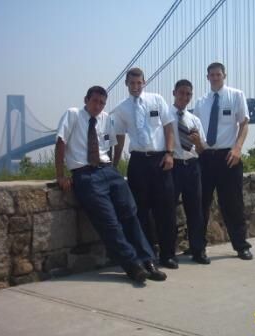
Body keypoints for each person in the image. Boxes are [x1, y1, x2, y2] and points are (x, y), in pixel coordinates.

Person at [54, 85, 167, 283]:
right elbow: (61, 142)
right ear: (86, 100)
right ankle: (133, 265)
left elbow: (113, 143)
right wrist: (60, 175)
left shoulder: (106, 118)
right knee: (109, 223)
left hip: (109, 171)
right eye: (95, 101)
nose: (98, 106)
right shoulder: (72, 114)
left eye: (102, 103)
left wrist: (114, 168)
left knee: (131, 215)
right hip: (85, 174)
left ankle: (148, 261)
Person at [111, 68, 179, 269]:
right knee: (141, 212)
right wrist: (114, 165)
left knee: (166, 210)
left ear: (144, 82)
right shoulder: (121, 109)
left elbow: (168, 127)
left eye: (139, 83)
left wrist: (169, 153)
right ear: (126, 84)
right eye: (132, 83)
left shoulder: (157, 99)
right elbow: (120, 138)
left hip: (160, 159)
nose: (135, 87)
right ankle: (149, 255)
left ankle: (168, 255)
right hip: (138, 162)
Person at [193, 62, 253, 260]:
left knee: (233, 204)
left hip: (229, 157)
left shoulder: (236, 95)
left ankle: (241, 245)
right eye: (212, 75)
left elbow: (244, 124)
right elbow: (197, 133)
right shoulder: (201, 102)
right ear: (207, 77)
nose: (215, 77)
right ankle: (198, 247)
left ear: (224, 75)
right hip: (205, 158)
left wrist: (237, 149)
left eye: (218, 74)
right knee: (201, 204)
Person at [170, 79, 210, 264]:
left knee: (196, 211)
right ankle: (168, 252)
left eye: (188, 94)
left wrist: (197, 143)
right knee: (168, 211)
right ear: (174, 93)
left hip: (192, 166)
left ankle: (198, 250)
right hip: (173, 167)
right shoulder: (165, 116)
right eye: (181, 93)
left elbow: (202, 150)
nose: (185, 97)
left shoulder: (194, 119)